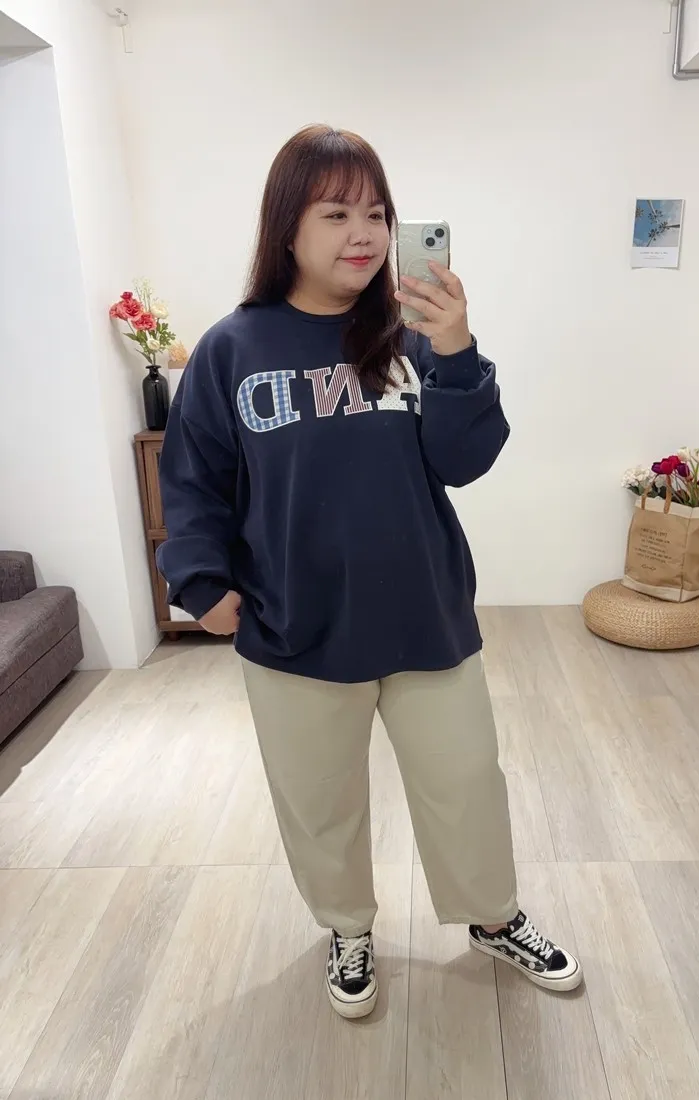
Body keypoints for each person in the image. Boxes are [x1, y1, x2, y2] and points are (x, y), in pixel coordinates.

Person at [157, 124, 583, 1019]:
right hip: (292, 622)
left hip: (423, 612)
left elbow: (465, 460)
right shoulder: (232, 348)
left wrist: (456, 350)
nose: (365, 234)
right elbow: (193, 477)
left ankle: (492, 916)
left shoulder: (411, 335)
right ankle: (348, 927)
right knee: (320, 799)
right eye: (337, 213)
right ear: (287, 228)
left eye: (378, 213)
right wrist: (200, 583)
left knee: (466, 781)